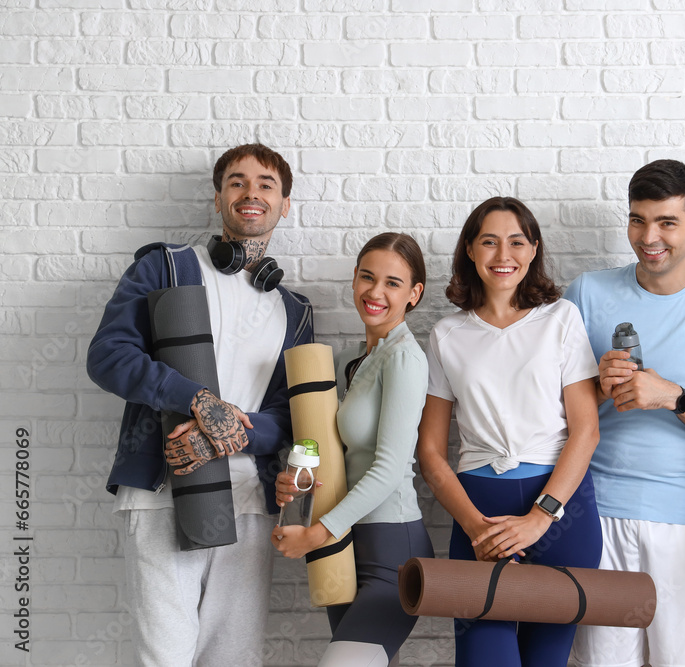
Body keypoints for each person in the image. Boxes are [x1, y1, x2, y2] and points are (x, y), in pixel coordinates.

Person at [87, 144, 313, 666]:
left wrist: (222, 430)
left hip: (249, 503)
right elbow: (108, 356)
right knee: (164, 657)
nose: (250, 192)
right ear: (217, 199)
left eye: (265, 184)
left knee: (233, 659)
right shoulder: (164, 267)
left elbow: (289, 418)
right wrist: (198, 401)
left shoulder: (294, 310)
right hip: (165, 489)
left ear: (283, 205)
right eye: (236, 182)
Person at [565, 159, 685, 667]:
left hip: (682, 522)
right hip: (596, 514)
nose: (649, 236)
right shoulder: (587, 293)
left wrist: (673, 396)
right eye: (638, 220)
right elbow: (545, 407)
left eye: (667, 222)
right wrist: (596, 387)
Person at [416, 196, 603, 667]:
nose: (504, 255)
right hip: (479, 513)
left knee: (547, 661)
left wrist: (541, 518)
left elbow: (585, 432)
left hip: (563, 515)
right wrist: (477, 527)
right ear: (471, 251)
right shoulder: (446, 334)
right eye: (490, 242)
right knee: (485, 658)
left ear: (534, 249)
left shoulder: (562, 319)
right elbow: (432, 453)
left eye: (517, 242)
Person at [271, 232, 434, 667]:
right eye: (367, 277)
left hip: (392, 552)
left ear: (414, 293)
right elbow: (321, 449)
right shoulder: (348, 360)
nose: (375, 292)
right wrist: (294, 482)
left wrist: (317, 533)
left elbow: (388, 468)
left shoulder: (404, 358)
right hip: (344, 549)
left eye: (393, 283)